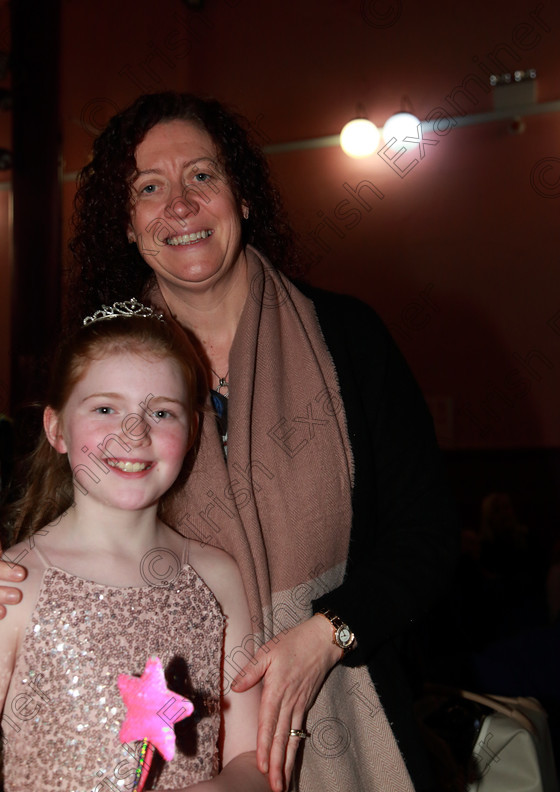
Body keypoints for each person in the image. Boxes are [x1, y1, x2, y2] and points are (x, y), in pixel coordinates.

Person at [0, 92, 457, 792]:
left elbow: (427, 537)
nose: (179, 204)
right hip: (168, 736)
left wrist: (325, 633)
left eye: (202, 177)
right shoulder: (111, 362)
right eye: (150, 188)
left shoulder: (348, 338)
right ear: (126, 224)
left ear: (242, 198)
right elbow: (35, 487)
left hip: (346, 709)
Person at [0, 304, 269, 792]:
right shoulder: (14, 587)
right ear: (57, 428)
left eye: (161, 412)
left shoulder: (218, 577)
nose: (134, 431)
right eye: (106, 409)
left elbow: (250, 757)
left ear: (190, 431)